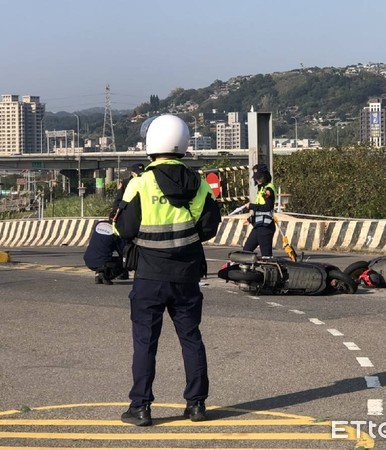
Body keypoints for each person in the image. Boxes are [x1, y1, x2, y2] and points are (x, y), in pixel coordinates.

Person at [113, 114, 221, 427]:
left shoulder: (140, 182)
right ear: (183, 143)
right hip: (187, 275)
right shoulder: (199, 184)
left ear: (151, 144)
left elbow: (124, 228)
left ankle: (141, 407)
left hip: (149, 275)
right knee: (191, 338)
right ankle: (197, 405)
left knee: (145, 342)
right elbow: (210, 226)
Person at [83, 211, 126, 285]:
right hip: (102, 261)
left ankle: (99, 273)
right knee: (124, 261)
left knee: (103, 256)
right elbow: (122, 251)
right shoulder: (116, 231)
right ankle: (106, 275)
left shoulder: (99, 224)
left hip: (88, 259)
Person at [242, 167, 276, 257]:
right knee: (246, 251)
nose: (258, 180)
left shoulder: (268, 189)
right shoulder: (261, 189)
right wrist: (250, 219)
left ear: (265, 176)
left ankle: (270, 271)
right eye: (256, 178)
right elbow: (260, 211)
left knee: (266, 256)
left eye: (260, 177)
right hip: (258, 226)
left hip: (266, 227)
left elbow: (267, 207)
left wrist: (251, 206)